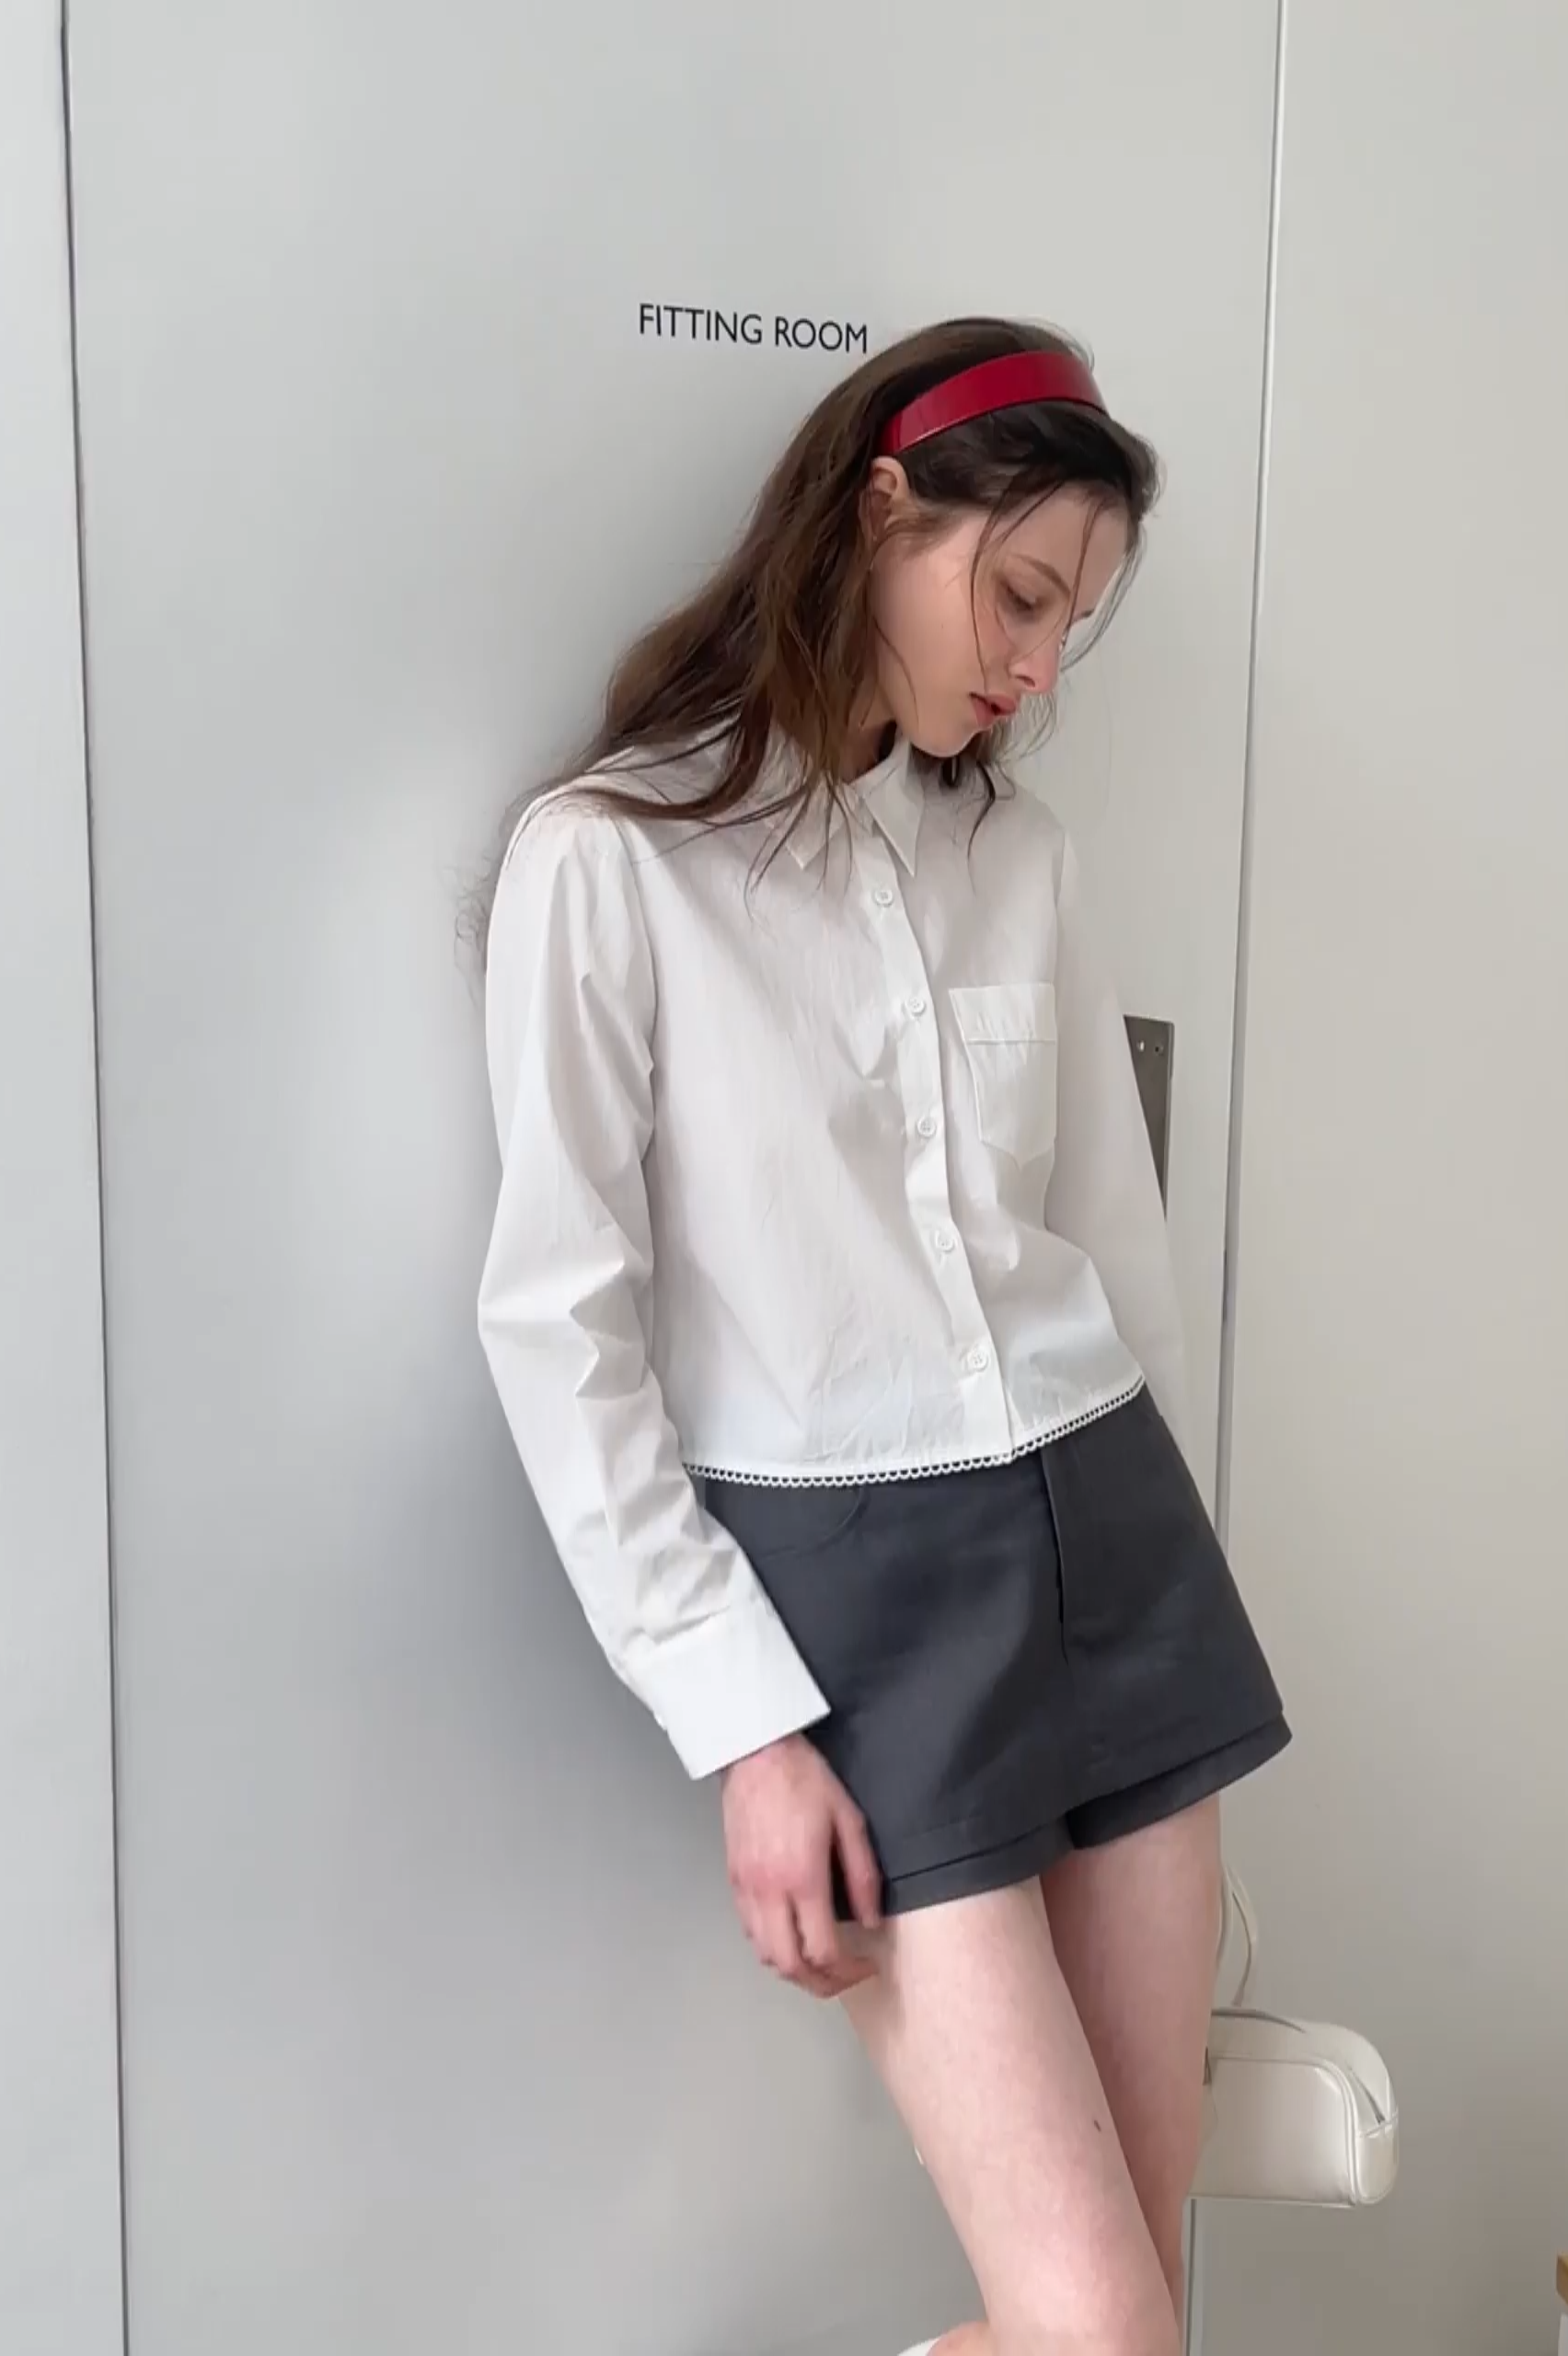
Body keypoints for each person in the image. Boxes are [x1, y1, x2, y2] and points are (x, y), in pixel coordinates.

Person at [477, 317, 1288, 2356]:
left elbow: (1112, 1245)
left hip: (1116, 1534)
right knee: (1101, 2330)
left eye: (1072, 624)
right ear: (880, 508)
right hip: (856, 1598)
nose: (1036, 665)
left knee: (1135, 2319)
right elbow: (559, 1330)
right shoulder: (613, 860)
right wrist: (746, 1728)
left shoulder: (1020, 858)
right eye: (1019, 594)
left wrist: (1171, 1593)